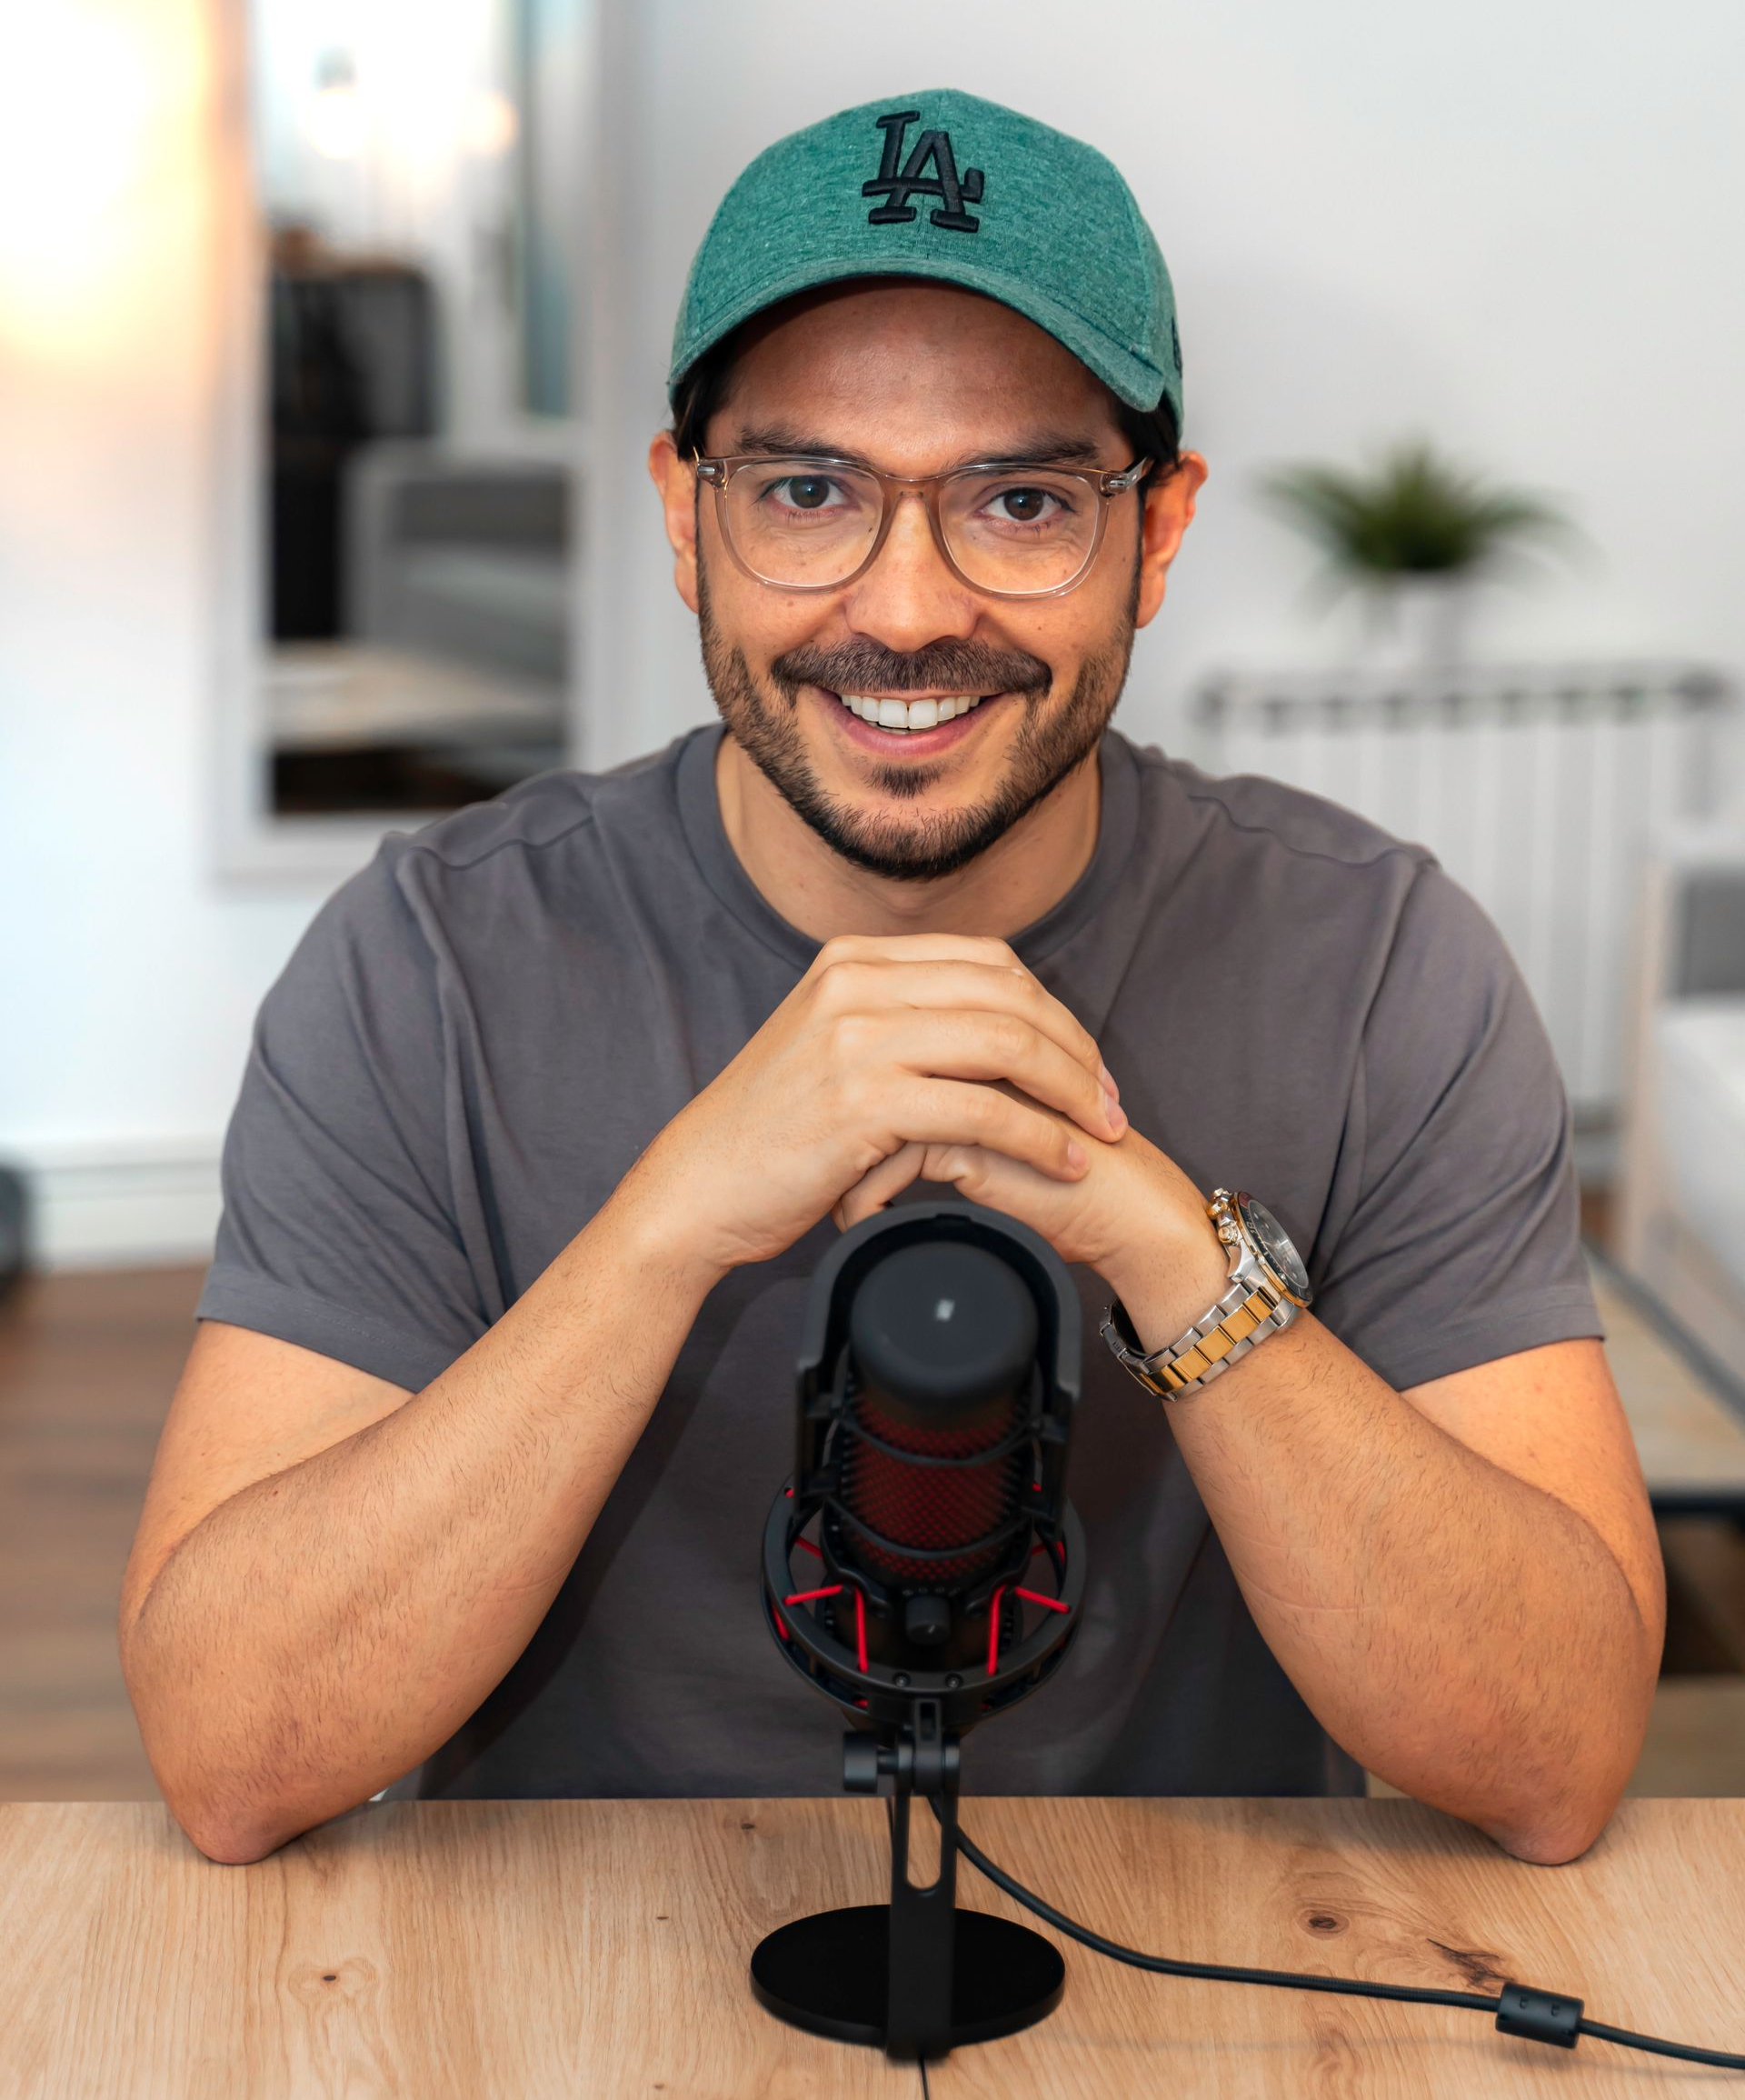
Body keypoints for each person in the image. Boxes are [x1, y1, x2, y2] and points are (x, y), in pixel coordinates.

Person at [120, 88, 1662, 1867]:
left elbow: (1555, 1755)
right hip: (573, 1996)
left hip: (1204, 1995)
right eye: (804, 490)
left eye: (1019, 499)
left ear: (1157, 533)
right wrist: (668, 1225)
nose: (909, 607)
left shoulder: (1381, 964)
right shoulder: (432, 963)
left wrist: (1162, 1240)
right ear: (684, 518)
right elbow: (230, 1754)